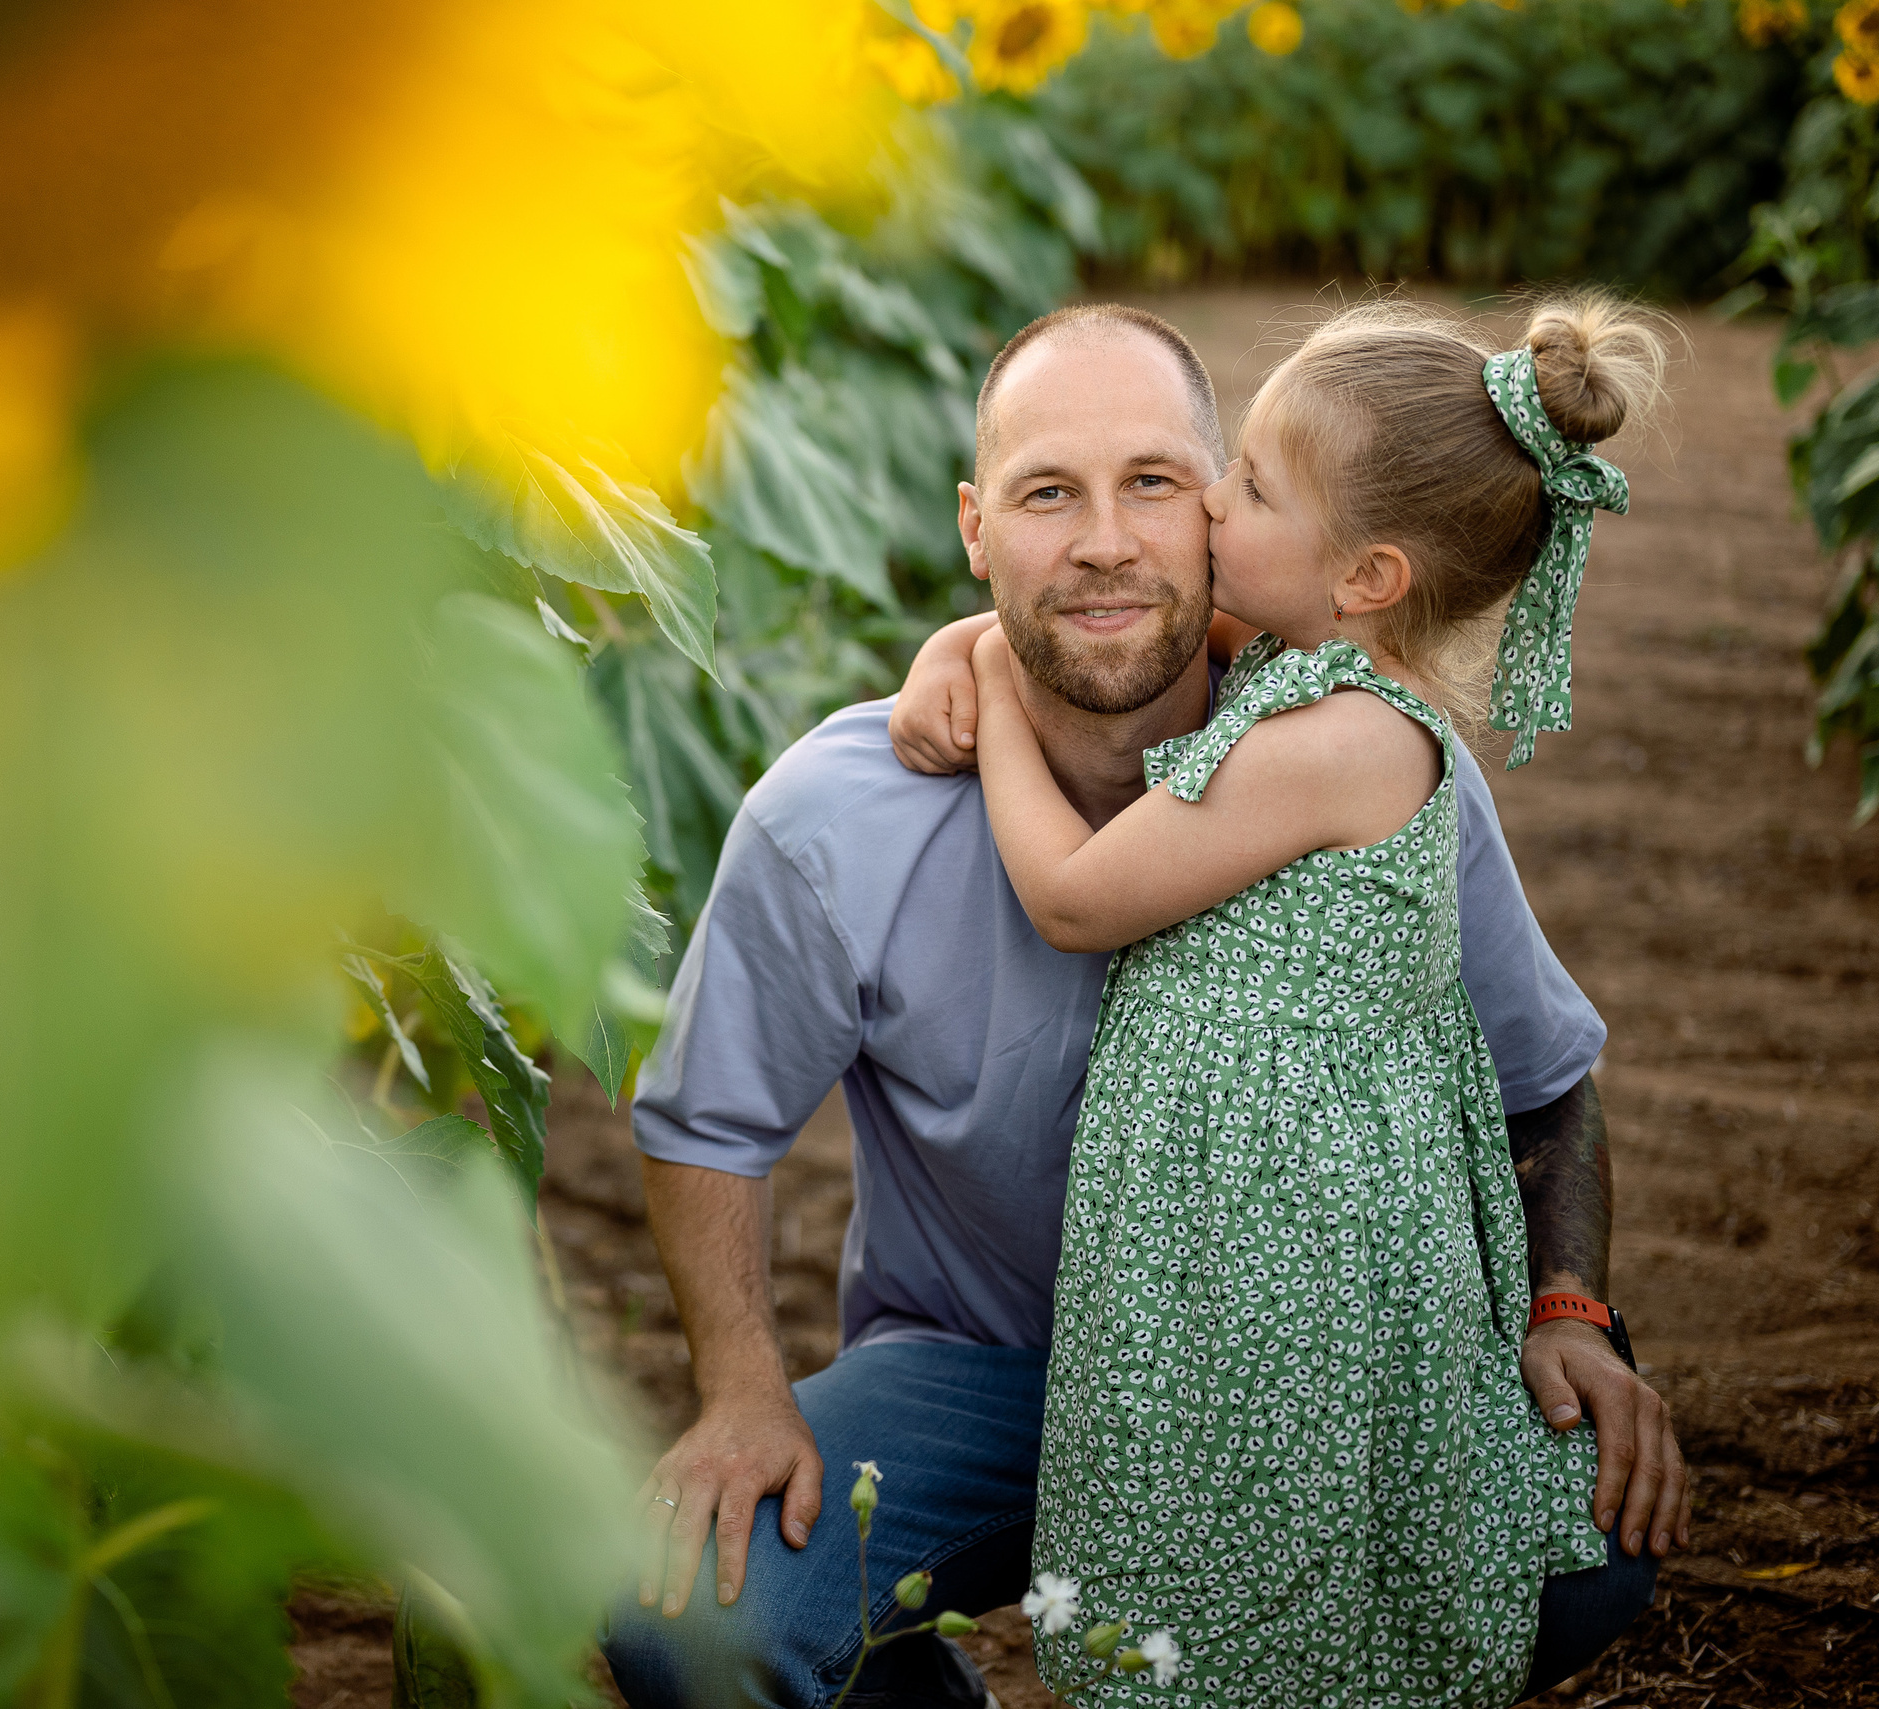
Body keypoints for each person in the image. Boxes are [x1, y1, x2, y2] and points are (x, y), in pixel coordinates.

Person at [601, 301, 1689, 1709]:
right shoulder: (836, 814)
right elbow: (707, 1124)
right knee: (691, 1615)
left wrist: (1568, 1310)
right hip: (987, 1378)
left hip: (1309, 1361)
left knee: (1585, 1535)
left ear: (1217, 519)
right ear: (976, 529)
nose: (1108, 539)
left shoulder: (1354, 760)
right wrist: (742, 1389)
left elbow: (1547, 1080)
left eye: (1158, 484)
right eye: (1049, 492)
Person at [952, 292, 1661, 1704]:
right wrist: (959, 635)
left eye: (1253, 484)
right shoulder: (1305, 666)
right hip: (1248, 1220)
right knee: (1237, 1533)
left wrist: (980, 663)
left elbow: (1075, 897)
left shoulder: (1339, 739)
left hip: (1283, 1243)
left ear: (1370, 577)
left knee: (1274, 1548)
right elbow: (1110, 623)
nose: (1211, 500)